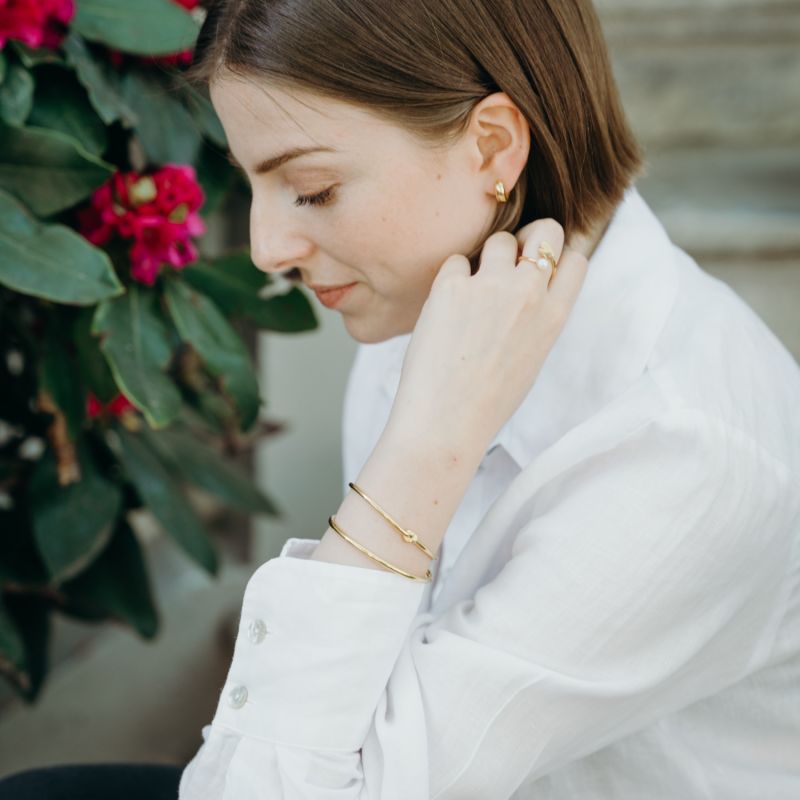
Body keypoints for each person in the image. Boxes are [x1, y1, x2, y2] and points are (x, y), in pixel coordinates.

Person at [3, 0, 798, 797]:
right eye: (250, 183)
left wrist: (422, 452)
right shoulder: (440, 304)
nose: (266, 248)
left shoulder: (683, 459)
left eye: (312, 189)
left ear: (493, 145)